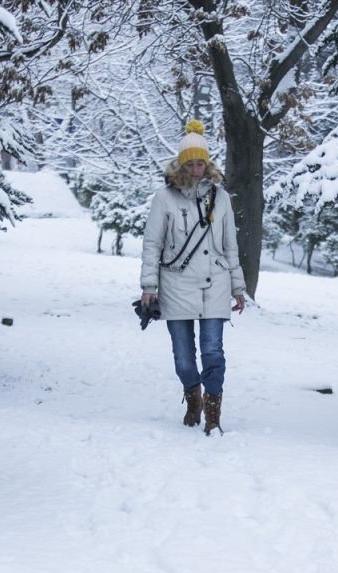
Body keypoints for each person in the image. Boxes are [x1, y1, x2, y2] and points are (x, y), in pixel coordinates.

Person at [140, 120, 246, 435]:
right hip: (175, 285)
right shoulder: (165, 198)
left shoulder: (221, 197)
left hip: (216, 283)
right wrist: (149, 285)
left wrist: (238, 286)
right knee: (184, 358)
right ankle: (193, 396)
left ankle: (213, 410)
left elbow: (230, 245)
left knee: (213, 351)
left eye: (202, 162)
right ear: (182, 164)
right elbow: (152, 243)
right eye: (191, 163)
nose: (197, 169)